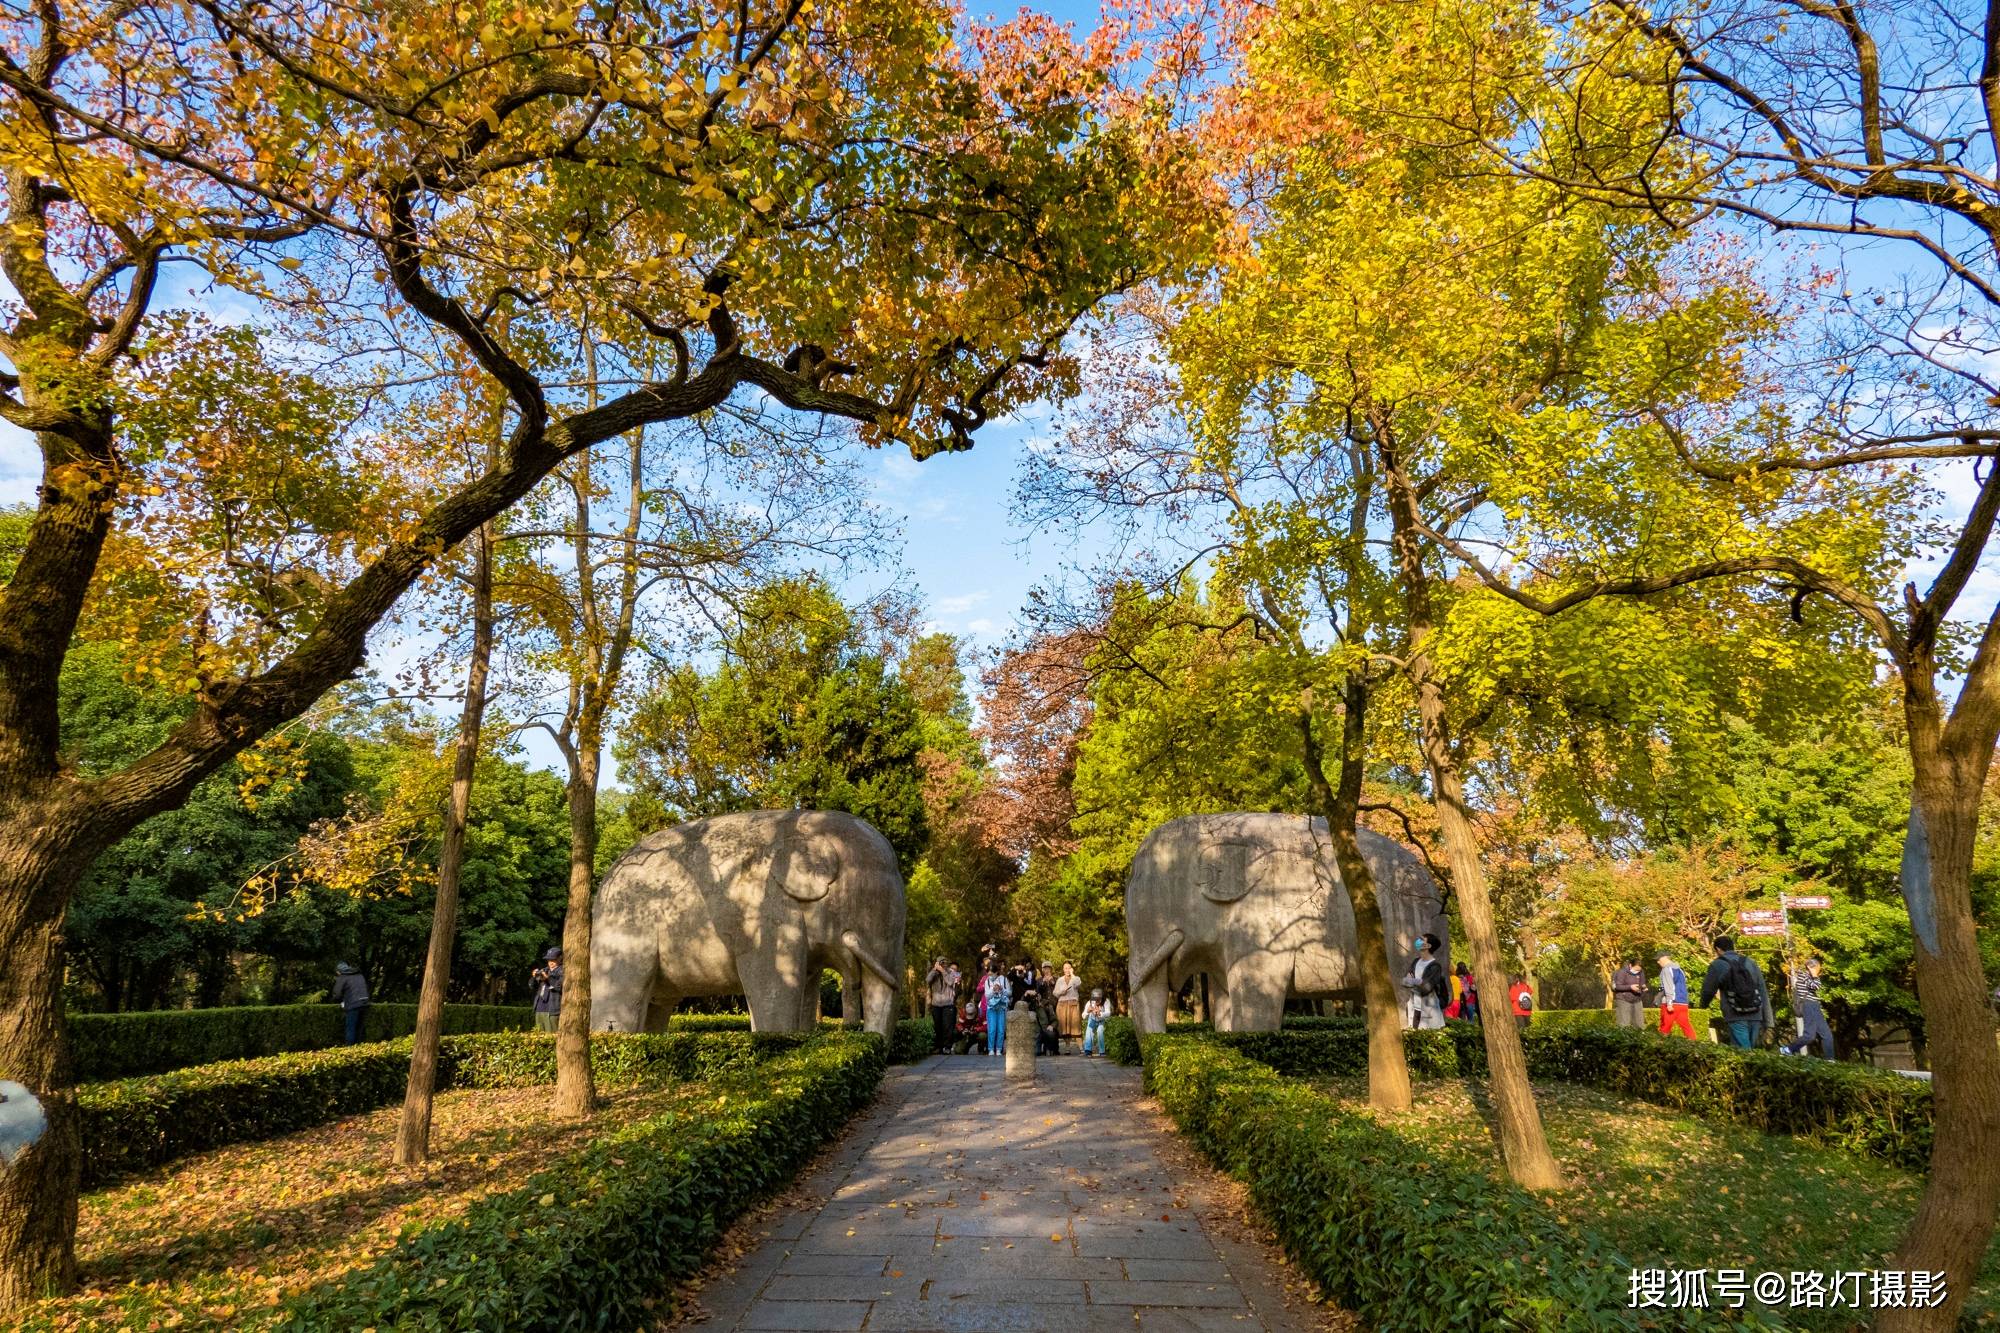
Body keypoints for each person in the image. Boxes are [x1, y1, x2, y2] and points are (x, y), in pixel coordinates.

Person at [1699, 935, 1772, 1049]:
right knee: (1753, 1051)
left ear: (1718, 949)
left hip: (1735, 1014)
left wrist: (1702, 1008)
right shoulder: (1750, 962)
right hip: (1755, 1013)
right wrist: (1768, 1020)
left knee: (1743, 1053)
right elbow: (1762, 989)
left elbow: (1708, 991)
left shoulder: (1718, 964)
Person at [1782, 956, 1837, 1059]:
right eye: (1817, 968)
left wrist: (1815, 976)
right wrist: (1815, 975)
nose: (1818, 971)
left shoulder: (1809, 976)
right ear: (1809, 967)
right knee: (1809, 1036)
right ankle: (1788, 1049)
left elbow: (1816, 985)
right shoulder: (1803, 975)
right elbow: (1816, 986)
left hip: (1814, 1005)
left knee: (1827, 1035)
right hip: (1808, 1005)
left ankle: (1830, 1059)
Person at [1402, 934, 1448, 1029]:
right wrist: (1418, 982)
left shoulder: (1435, 966)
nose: (1418, 941)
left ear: (1428, 946)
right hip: (1414, 1008)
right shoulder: (1416, 961)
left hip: (1428, 1009)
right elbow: (1404, 981)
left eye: (1421, 940)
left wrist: (1412, 981)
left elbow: (1425, 988)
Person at [1656, 952, 1695, 1039]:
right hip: (1683, 1003)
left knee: (1664, 1029)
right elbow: (1682, 986)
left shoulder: (1666, 970)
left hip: (1672, 1003)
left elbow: (1668, 987)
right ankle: (1695, 1047)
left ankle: (1660, 1050)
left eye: (1658, 960)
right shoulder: (1680, 970)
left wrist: (1669, 1003)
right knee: (1687, 1027)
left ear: (1665, 958)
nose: (1658, 962)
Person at [331, 960, 371, 1044]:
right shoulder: (359, 975)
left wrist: (340, 1001)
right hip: (365, 1003)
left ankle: (350, 1050)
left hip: (353, 1004)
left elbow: (337, 994)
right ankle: (360, 1049)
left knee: (350, 1028)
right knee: (359, 1028)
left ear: (338, 971)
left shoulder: (342, 977)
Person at [927, 956, 958, 1054]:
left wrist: (943, 971)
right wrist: (934, 970)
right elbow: (927, 980)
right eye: (940, 963)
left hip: (948, 1004)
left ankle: (947, 1047)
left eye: (944, 963)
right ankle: (938, 1047)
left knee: (947, 1026)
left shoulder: (951, 972)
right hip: (936, 1004)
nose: (942, 965)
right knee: (937, 1026)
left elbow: (950, 982)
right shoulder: (934, 973)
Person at [532, 947, 563, 1032]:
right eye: (549, 960)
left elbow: (559, 987)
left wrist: (548, 979)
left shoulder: (563, 971)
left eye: (553, 959)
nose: (550, 962)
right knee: (539, 1037)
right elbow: (532, 986)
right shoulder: (545, 970)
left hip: (552, 1009)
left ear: (560, 959)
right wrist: (534, 977)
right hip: (539, 1008)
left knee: (551, 1036)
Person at [1611, 957, 1647, 1029]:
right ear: (1630, 965)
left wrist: (1643, 987)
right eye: (1636, 969)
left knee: (1639, 1023)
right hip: (1623, 999)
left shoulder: (1641, 972)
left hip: (1637, 999)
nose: (1637, 971)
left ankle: (1639, 1037)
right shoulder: (1621, 972)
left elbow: (1642, 982)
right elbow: (1618, 986)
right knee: (1624, 1023)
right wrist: (1630, 987)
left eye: (1639, 970)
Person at [984, 965, 1011, 1057]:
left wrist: (1001, 989)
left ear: (996, 972)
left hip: (1001, 1007)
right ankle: (991, 1049)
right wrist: (993, 990)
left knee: (1001, 1029)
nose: (990, 975)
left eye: (992, 973)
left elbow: (1009, 992)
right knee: (992, 1029)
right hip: (991, 1008)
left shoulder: (1003, 979)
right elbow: (987, 996)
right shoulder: (987, 981)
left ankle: (999, 1049)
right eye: (988, 973)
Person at [1054, 963, 1082, 1045]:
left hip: (1073, 1005)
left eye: (1069, 968)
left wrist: (1072, 974)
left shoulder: (1075, 978)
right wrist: (1061, 992)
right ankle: (1067, 1047)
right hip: (1062, 1005)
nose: (1067, 970)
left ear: (1071, 969)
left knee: (1076, 1026)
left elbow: (1078, 984)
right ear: (1063, 969)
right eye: (1065, 968)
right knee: (1064, 1028)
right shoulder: (1060, 980)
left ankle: (1081, 1047)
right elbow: (1055, 993)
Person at [1082, 988, 1112, 1056]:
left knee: (1100, 1032)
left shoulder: (1106, 1001)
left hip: (1101, 1020)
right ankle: (1088, 1050)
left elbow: (1108, 1013)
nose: (1096, 1001)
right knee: (1089, 1031)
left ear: (1101, 997)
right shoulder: (1089, 1002)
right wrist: (1087, 1011)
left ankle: (1102, 1051)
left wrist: (1100, 1013)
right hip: (1092, 1019)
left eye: (1098, 999)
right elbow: (1083, 1016)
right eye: (1094, 999)